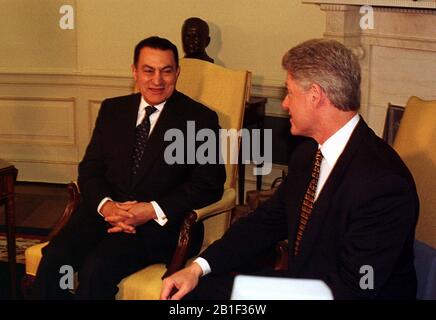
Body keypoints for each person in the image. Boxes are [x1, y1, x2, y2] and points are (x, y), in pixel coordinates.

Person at [161, 39, 419, 300]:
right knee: (194, 293)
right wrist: (197, 268)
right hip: (306, 286)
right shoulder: (308, 155)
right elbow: (265, 223)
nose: (284, 103)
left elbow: (357, 287)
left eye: (290, 92)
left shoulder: (383, 183)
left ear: (315, 96)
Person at [31, 36, 226, 299]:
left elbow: (209, 184)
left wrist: (150, 210)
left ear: (177, 72)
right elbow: (91, 168)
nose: (157, 80)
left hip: (161, 225)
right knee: (54, 259)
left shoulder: (199, 118)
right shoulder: (113, 110)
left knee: (97, 267)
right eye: (148, 70)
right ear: (134, 71)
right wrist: (107, 207)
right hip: (106, 214)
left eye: (166, 71)